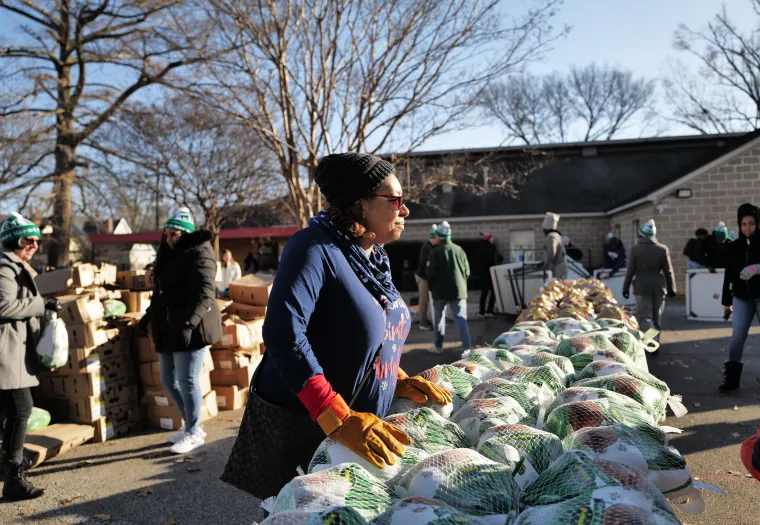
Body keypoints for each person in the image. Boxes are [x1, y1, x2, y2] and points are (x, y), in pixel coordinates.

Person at [221, 153, 451, 500]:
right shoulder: (314, 247)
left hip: (362, 433)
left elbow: (359, 332)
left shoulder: (374, 257)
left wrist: (395, 379)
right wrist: (335, 415)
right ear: (360, 205)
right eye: (395, 200)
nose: (405, 210)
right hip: (312, 430)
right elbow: (284, 333)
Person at [141, 207, 222, 454]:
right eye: (167, 234)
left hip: (191, 328)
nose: (169, 238)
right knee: (167, 379)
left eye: (174, 234)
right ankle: (190, 424)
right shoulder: (169, 256)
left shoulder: (200, 253)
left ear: (186, 234)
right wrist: (147, 317)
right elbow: (160, 293)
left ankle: (194, 431)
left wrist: (189, 324)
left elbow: (206, 293)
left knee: (187, 380)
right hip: (168, 328)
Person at [0, 212, 60, 500]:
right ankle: (14, 477)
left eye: (37, 241)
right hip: (5, 354)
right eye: (28, 240)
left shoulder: (17, 266)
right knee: (21, 409)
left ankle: (9, 466)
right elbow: (3, 306)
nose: (34, 245)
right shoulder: (4, 267)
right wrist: (41, 304)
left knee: (7, 413)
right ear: (14, 240)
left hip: (13, 352)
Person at [719, 203, 760, 393]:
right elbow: (728, 276)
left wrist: (757, 268)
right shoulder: (734, 247)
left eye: (751, 224)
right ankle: (732, 379)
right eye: (744, 224)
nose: (748, 228)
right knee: (737, 338)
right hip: (741, 297)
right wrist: (727, 302)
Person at [622, 220, 676, 350]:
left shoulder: (636, 249)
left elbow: (631, 270)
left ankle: (649, 341)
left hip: (642, 286)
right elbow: (668, 271)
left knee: (645, 316)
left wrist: (626, 287)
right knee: (656, 316)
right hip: (659, 285)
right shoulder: (662, 249)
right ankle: (655, 340)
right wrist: (672, 287)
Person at [427, 222, 473, 354]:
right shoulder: (459, 250)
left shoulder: (435, 252)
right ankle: (467, 348)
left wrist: (432, 287)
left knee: (439, 319)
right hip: (459, 291)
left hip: (440, 292)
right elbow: (467, 271)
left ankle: (438, 346)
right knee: (460, 318)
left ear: (438, 236)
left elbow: (431, 273)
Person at [415, 224, 439, 330]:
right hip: (423, 277)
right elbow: (424, 264)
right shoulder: (427, 247)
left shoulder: (434, 247)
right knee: (424, 300)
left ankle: (430, 319)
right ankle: (423, 323)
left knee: (430, 300)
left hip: (428, 276)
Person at [476, 232, 502, 317]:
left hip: (483, 274)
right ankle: (489, 310)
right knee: (493, 291)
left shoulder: (480, 247)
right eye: (491, 238)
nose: (492, 239)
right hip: (489, 274)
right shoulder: (490, 248)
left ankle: (482, 311)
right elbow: (492, 260)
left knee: (485, 292)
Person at [542, 212, 568, 281]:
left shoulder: (551, 236)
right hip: (560, 267)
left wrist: (546, 265)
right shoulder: (557, 235)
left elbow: (552, 252)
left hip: (558, 269)